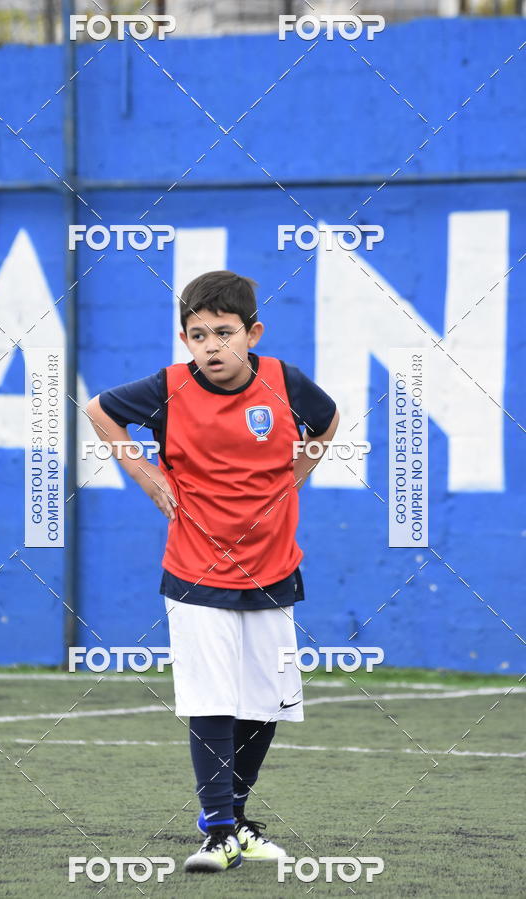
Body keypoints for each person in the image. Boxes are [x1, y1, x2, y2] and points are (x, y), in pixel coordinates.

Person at [87, 270, 339, 873]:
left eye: (224, 333)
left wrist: (295, 475)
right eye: (198, 335)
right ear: (185, 340)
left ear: (252, 333)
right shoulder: (167, 389)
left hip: (273, 571)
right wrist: (147, 474)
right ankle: (218, 832)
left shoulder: (286, 383)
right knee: (211, 698)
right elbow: (99, 411)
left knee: (264, 703)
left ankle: (237, 821)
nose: (212, 347)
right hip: (196, 571)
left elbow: (327, 422)